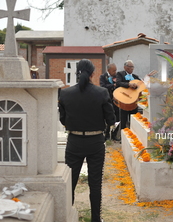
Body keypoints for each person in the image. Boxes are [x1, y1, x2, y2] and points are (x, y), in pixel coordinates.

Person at [58, 59, 115, 222]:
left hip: (74, 141)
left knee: (71, 181)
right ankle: (96, 219)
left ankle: (67, 215)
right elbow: (110, 119)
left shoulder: (65, 94)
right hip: (96, 141)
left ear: (77, 73)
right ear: (92, 74)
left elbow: (63, 120)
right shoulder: (102, 92)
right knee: (95, 183)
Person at [116, 60, 141, 130]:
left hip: (133, 100)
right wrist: (128, 84)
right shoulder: (120, 74)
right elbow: (118, 83)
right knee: (123, 118)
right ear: (125, 67)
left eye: (133, 67)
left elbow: (141, 84)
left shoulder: (135, 76)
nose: (132, 68)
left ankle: (134, 133)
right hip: (124, 99)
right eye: (130, 67)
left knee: (134, 118)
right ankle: (122, 135)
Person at [100, 63, 120, 141]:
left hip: (116, 100)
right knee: (108, 117)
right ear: (109, 70)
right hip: (107, 100)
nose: (115, 72)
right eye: (113, 70)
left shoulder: (117, 76)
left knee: (117, 117)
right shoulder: (103, 76)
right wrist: (113, 85)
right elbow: (103, 86)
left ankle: (114, 135)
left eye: (116, 70)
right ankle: (107, 134)